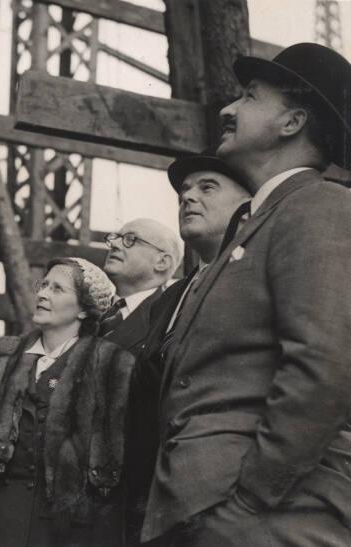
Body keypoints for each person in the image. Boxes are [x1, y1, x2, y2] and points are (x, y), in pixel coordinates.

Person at [143, 43, 351, 546]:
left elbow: (323, 367)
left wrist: (251, 498)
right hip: (208, 506)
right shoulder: (258, 222)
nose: (228, 109)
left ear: (293, 121)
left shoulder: (318, 206)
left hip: (267, 515)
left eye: (250, 96)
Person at [0, 257, 135, 547]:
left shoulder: (109, 364)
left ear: (85, 309)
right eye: (43, 285)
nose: (43, 294)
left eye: (57, 289)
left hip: (67, 530)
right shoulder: (0, 356)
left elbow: (113, 462)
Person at [122, 153, 249, 545]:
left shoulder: (256, 281)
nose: (188, 198)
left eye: (207, 187)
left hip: (230, 501)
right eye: (183, 193)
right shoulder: (169, 298)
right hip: (161, 502)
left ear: (248, 206)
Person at [102, 219, 181, 355]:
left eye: (130, 239)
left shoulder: (170, 322)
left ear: (162, 262)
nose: (114, 244)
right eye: (116, 238)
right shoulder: (90, 309)